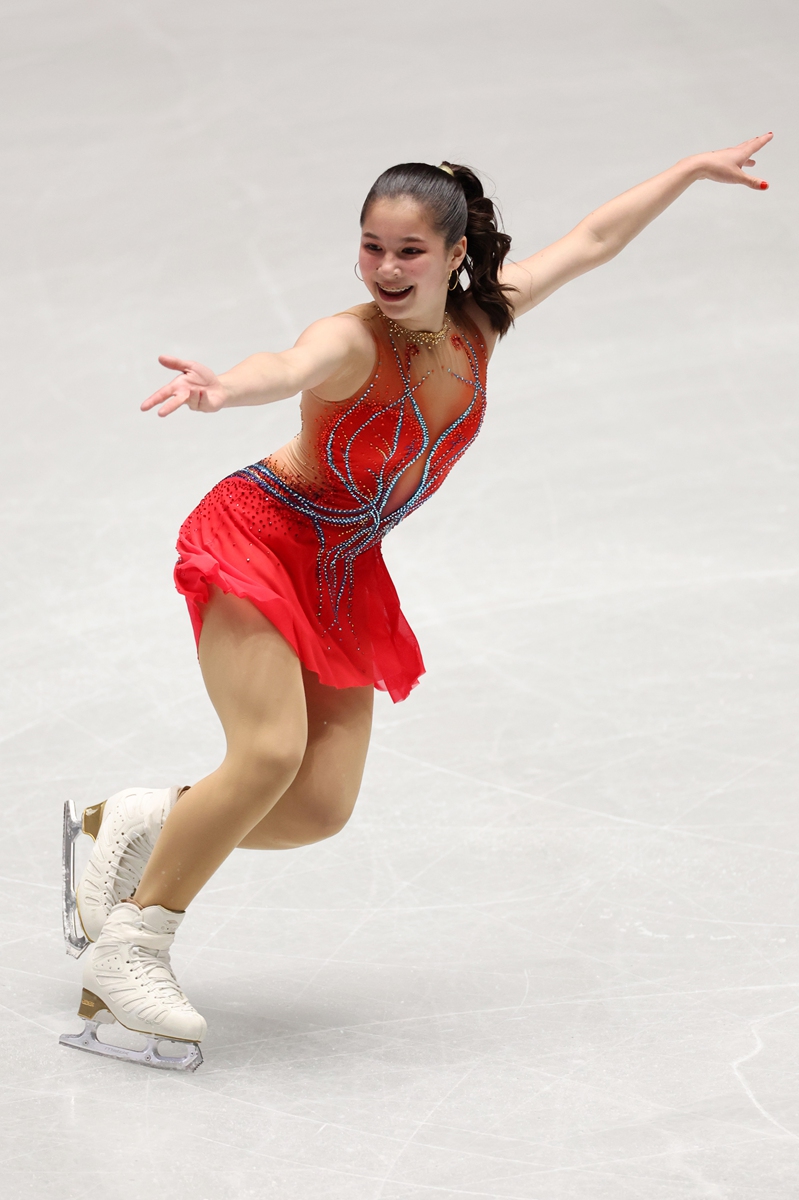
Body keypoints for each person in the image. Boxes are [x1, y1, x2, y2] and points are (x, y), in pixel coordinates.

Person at [60, 136, 772, 1070]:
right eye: (370, 247)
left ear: (453, 256)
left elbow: (593, 238)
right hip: (260, 536)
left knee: (317, 807)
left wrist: (683, 173)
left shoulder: (481, 324)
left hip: (344, 567)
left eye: (408, 251)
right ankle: (134, 947)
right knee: (268, 752)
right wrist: (224, 387)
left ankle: (137, 818)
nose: (386, 269)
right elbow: (285, 361)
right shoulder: (351, 337)